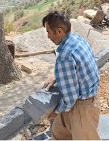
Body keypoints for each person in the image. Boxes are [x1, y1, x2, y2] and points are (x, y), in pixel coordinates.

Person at [42, 11, 100, 140]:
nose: (48, 36)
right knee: (58, 133)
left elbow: (70, 97)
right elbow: (79, 68)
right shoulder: (77, 39)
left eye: (48, 32)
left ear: (59, 31)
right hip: (83, 103)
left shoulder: (65, 57)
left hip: (81, 109)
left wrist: (55, 112)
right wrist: (57, 76)